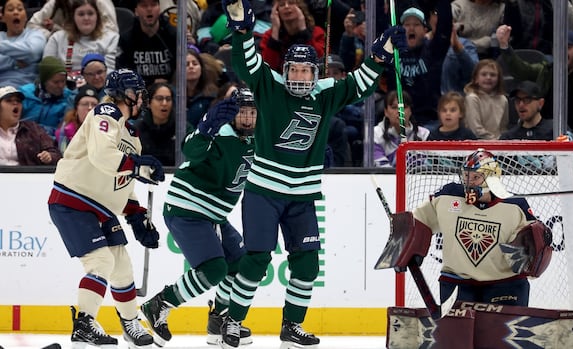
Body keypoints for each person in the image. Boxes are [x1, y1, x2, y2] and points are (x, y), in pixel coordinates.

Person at [218, 0, 406, 347]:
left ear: (315, 73)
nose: (299, 77)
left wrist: (381, 53)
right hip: (264, 192)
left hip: (303, 196)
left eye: (306, 71)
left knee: (306, 265)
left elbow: (360, 85)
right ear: (285, 70)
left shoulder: (325, 94)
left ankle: (291, 325)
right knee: (257, 259)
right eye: (294, 70)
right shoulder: (269, 86)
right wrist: (242, 29)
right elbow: (246, 65)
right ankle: (233, 319)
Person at [47, 68, 164, 348]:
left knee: (121, 266)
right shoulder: (105, 113)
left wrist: (136, 214)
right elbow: (103, 157)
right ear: (126, 93)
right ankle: (84, 323)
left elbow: (122, 182)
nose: (142, 99)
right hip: (72, 200)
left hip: (100, 206)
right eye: (138, 93)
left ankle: (129, 322)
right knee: (102, 262)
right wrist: (138, 164)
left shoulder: (131, 133)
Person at [139, 88, 257, 347]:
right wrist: (205, 128)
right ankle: (159, 304)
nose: (247, 118)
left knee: (239, 264)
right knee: (214, 269)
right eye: (242, 113)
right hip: (187, 209)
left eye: (252, 113)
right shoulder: (221, 134)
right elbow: (190, 150)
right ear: (232, 116)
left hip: (213, 214)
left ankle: (218, 319)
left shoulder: (256, 140)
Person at [408, 149, 543, 307]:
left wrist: (533, 253)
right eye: (466, 175)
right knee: (455, 332)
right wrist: (411, 247)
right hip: (457, 282)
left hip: (505, 285)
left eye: (476, 177)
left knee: (502, 332)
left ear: (492, 178)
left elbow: (533, 249)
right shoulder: (447, 196)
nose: (468, 182)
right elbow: (418, 220)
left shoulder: (515, 206)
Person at [496, 25, 573, 140]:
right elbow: (521, 70)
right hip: (550, 141)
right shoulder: (545, 71)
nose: (562, 52)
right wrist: (505, 46)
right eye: (558, 47)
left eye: (568, 47)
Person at [383, 1, 452, 130]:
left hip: (429, 121)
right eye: (407, 24)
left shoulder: (434, 51)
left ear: (425, 29)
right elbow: (380, 24)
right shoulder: (392, 52)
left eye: (416, 24)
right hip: (397, 122)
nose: (411, 28)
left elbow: (445, 26)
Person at [42, 0, 118, 85]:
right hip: (64, 88)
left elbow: (110, 72)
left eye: (90, 13)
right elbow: (47, 70)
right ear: (73, 17)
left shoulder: (111, 38)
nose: (86, 18)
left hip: (99, 87)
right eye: (81, 14)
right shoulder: (57, 38)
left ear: (97, 16)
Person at [116, 0, 176, 87]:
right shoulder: (127, 38)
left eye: (153, 5)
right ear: (136, 11)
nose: (149, 9)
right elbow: (123, 72)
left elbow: (180, 67)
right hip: (139, 89)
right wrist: (150, 83)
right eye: (144, 6)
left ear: (159, 9)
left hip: (169, 88)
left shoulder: (172, 34)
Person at [0, 85, 61, 165]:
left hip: (26, 176)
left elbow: (55, 153)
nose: (15, 103)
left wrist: (49, 156)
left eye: (18, 101)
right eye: (9, 101)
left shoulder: (33, 129)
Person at [259, 0, 325, 74]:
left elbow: (319, 60)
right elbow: (267, 67)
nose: (286, 6)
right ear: (276, 11)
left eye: (291, 3)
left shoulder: (317, 32)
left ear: (300, 8)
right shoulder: (269, 35)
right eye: (282, 5)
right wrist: (275, 32)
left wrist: (303, 32)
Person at [19, 56, 73, 137]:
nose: (61, 85)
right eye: (56, 82)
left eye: (63, 81)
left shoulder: (69, 99)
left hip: (51, 142)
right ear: (44, 81)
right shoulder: (25, 94)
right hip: (22, 138)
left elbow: (62, 132)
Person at [374, 90, 430, 167]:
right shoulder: (375, 134)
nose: (400, 111)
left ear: (410, 111)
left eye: (404, 107)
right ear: (386, 112)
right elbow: (381, 166)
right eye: (394, 107)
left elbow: (424, 166)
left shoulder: (424, 134)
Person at [0, 0, 47, 88]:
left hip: (27, 87)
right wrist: (14, 62)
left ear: (25, 16)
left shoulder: (36, 34)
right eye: (10, 10)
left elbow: (32, 52)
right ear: (2, 18)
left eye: (20, 9)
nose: (16, 12)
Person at [463, 59, 509, 140]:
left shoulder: (503, 99)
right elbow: (475, 129)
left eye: (493, 75)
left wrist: (502, 142)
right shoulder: (472, 98)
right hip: (477, 143)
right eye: (484, 74)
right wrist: (494, 141)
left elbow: (503, 128)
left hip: (498, 144)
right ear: (476, 78)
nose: (488, 78)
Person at [27, 0, 118, 39]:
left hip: (97, 49)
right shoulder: (56, 3)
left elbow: (112, 31)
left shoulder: (101, 2)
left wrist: (86, 34)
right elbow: (32, 26)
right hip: (64, 51)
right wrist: (54, 35)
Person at [134, 82, 176, 165]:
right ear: (149, 103)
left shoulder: (182, 128)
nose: (164, 103)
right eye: (159, 98)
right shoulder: (136, 130)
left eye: (168, 99)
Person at [55, 84, 99, 153]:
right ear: (76, 108)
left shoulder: (106, 130)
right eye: (85, 104)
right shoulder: (64, 132)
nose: (90, 108)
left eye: (94, 105)